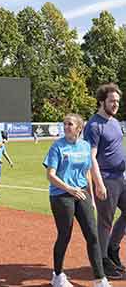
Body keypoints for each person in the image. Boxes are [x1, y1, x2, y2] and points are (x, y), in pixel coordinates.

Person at [44, 114, 111, 287]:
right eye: (65, 124)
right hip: (61, 195)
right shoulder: (57, 146)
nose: (66, 127)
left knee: (93, 235)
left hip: (82, 193)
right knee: (65, 235)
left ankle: (100, 279)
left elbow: (86, 173)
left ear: (79, 128)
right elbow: (50, 175)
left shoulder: (85, 146)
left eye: (70, 124)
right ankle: (57, 276)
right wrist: (69, 189)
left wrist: (92, 199)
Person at [83, 83, 126, 279]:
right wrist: (98, 183)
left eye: (117, 101)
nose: (115, 104)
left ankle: (112, 249)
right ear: (102, 101)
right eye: (112, 101)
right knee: (105, 222)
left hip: (121, 178)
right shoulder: (93, 125)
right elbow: (91, 157)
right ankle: (101, 260)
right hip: (106, 179)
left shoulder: (115, 122)